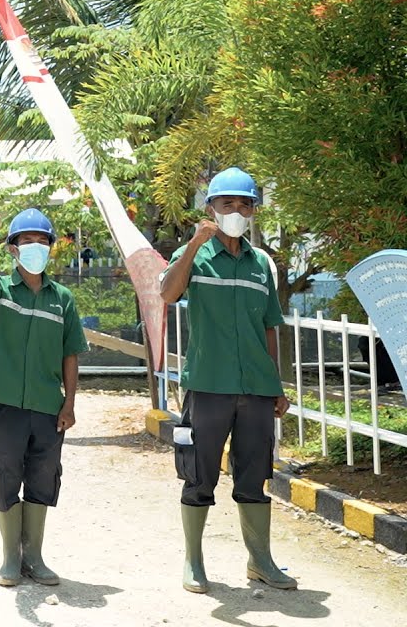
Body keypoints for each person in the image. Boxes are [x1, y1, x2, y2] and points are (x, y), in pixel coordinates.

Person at [159, 167, 295, 594]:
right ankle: (194, 561)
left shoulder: (260, 265)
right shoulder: (195, 256)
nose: (236, 211)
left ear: (254, 210)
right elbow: (167, 293)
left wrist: (276, 383)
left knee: (255, 475)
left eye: (244, 204)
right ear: (211, 209)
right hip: (208, 384)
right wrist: (194, 244)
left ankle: (260, 560)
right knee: (199, 474)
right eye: (227, 204)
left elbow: (271, 326)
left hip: (256, 387)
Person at [0, 208, 88, 587]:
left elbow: (71, 353)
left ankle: (34, 557)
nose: (35, 247)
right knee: (5, 476)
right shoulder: (3, 290)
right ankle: (10, 557)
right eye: (26, 240)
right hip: (4, 403)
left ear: (51, 248)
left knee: (42, 477)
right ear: (14, 249)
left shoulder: (63, 298)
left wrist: (69, 403)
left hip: (46, 406)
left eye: (42, 240)